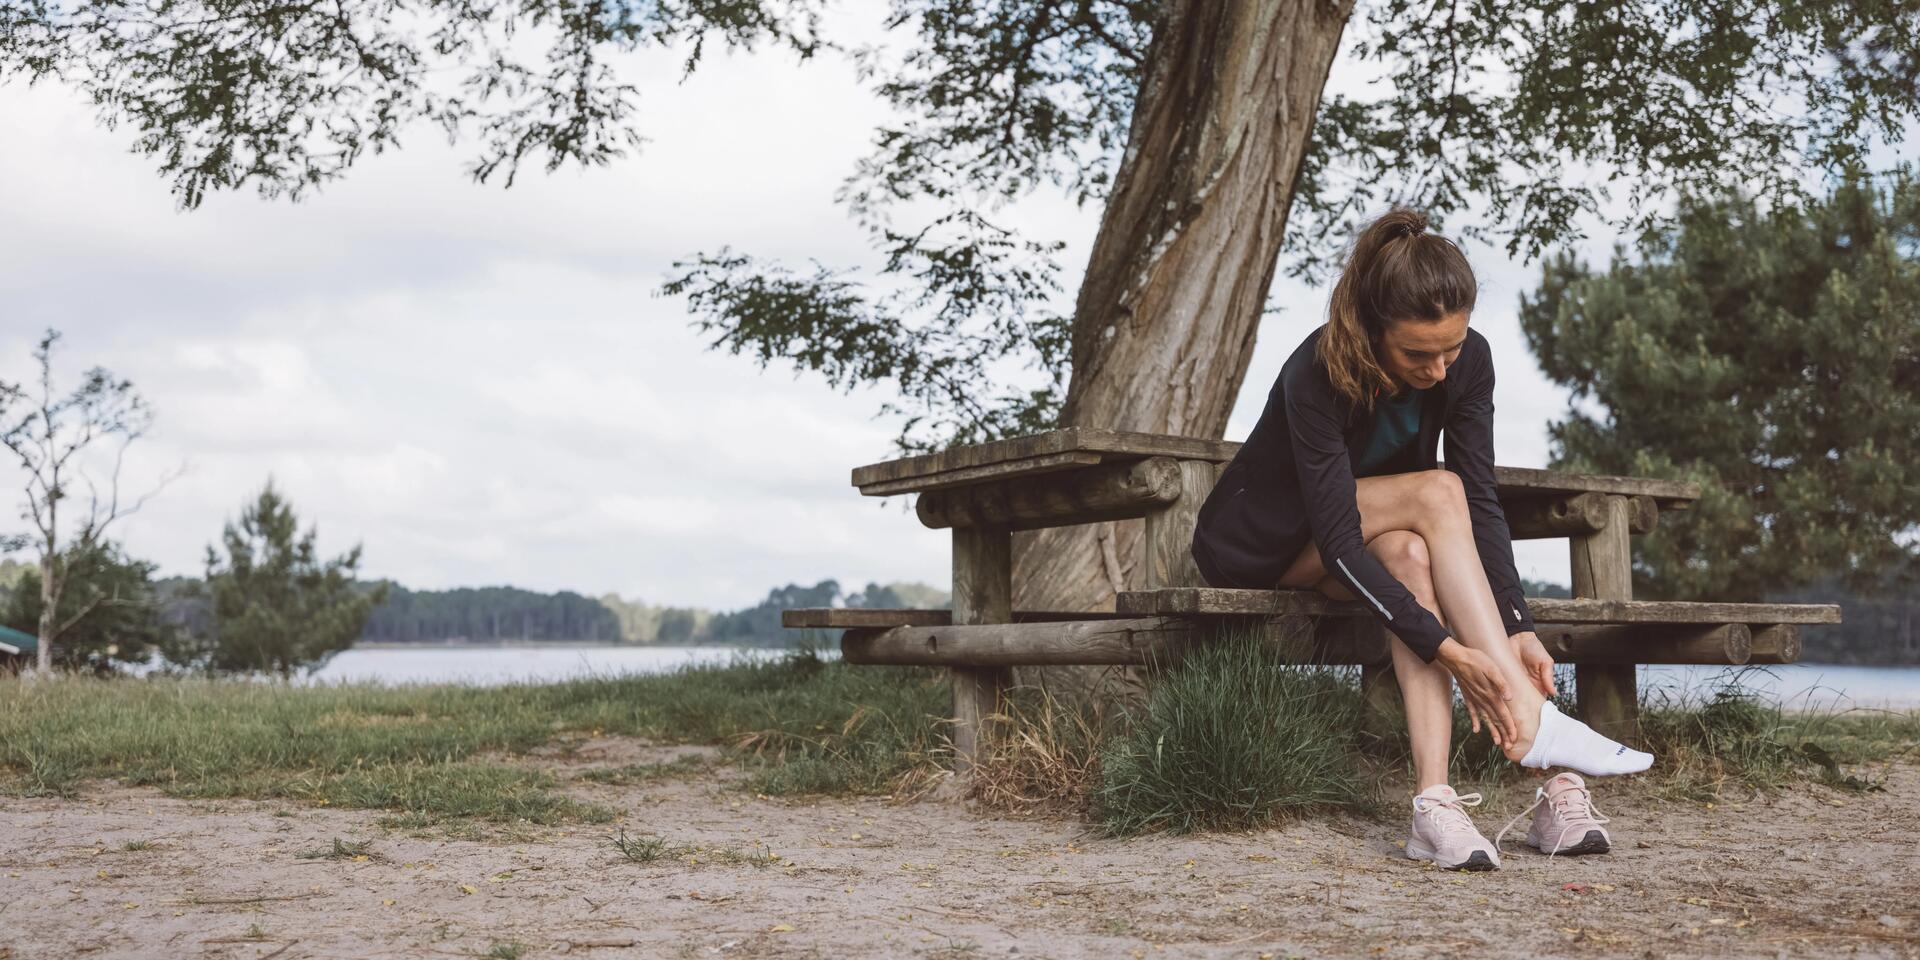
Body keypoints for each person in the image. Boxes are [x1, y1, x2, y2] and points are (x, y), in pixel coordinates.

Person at [1188, 207, 1653, 872]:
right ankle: (1538, 733)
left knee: (1413, 551)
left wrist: (1518, 624)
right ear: (1372, 330)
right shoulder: (1317, 369)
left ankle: (1434, 808)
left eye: (1451, 348)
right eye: (1416, 353)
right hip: (1257, 546)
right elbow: (1340, 537)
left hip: (1360, 533)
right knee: (1434, 492)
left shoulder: (1471, 364)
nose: (1438, 369)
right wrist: (1448, 649)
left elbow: (1481, 502)